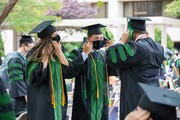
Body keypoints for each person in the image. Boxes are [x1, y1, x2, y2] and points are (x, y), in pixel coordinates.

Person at [106, 17, 165, 120]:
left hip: (136, 100)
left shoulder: (136, 47)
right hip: (153, 98)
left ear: (131, 31)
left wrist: (121, 42)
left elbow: (111, 58)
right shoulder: (159, 47)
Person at [66, 23, 116, 120]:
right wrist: (84, 54)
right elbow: (70, 71)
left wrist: (112, 52)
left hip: (102, 100)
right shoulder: (78, 53)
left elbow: (113, 72)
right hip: (85, 100)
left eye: (101, 38)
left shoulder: (104, 54)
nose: (99, 41)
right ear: (88, 38)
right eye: (96, 38)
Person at [26, 20, 70, 120]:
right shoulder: (33, 53)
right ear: (48, 39)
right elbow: (34, 78)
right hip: (43, 102)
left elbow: (69, 71)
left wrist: (59, 52)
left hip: (59, 101)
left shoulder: (59, 51)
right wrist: (45, 56)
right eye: (55, 35)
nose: (57, 37)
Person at [5, 35, 34, 117]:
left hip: (23, 95)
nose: (31, 49)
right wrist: (25, 94)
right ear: (23, 45)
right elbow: (16, 78)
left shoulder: (23, 58)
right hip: (18, 97)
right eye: (30, 47)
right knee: (20, 115)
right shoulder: (15, 58)